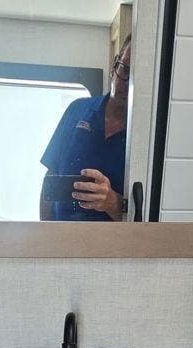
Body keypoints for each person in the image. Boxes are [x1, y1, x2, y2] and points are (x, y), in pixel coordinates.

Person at [39, 38, 130, 221]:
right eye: (125, 70)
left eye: (137, 77)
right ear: (114, 66)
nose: (128, 83)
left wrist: (113, 202)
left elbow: (143, 217)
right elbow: (51, 178)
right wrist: (44, 233)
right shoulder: (77, 109)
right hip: (62, 234)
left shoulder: (146, 138)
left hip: (113, 238)